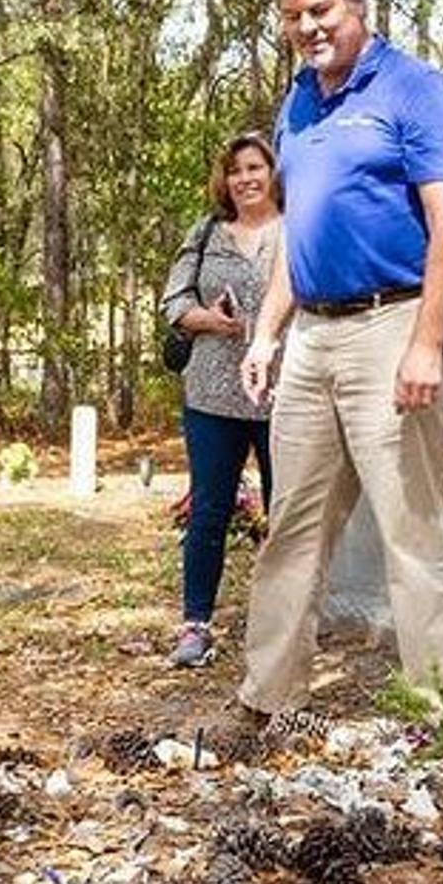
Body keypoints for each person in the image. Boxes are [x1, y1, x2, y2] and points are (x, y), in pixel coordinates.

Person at [234, 0, 443, 712]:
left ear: (358, 4)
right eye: (292, 16)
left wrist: (427, 343)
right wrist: (269, 330)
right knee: (291, 530)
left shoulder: (416, 90)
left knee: (416, 529)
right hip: (312, 336)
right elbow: (298, 232)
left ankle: (442, 711)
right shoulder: (298, 102)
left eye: (321, 9)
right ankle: (267, 700)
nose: (307, 27)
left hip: (392, 325)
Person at [160, 133, 282, 668]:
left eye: (255, 167)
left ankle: (285, 623)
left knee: (289, 513)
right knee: (209, 510)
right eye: (235, 170)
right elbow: (173, 302)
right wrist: (210, 319)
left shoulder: (298, 228)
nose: (246, 178)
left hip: (285, 394)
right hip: (213, 393)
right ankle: (195, 625)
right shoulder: (207, 232)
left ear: (273, 172)